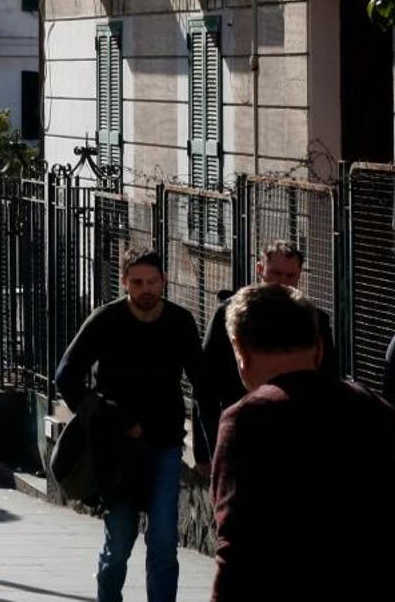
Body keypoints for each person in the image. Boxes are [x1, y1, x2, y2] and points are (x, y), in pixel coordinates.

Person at [210, 284, 395, 598]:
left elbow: (238, 545)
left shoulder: (248, 418)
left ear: (241, 353)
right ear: (319, 348)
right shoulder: (373, 407)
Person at [54, 248, 205, 602]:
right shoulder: (105, 320)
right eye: (137, 282)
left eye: (153, 281)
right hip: (116, 450)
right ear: (124, 282)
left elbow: (203, 382)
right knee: (119, 543)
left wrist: (207, 441)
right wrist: (110, 417)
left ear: (164, 281)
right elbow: (67, 377)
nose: (146, 289)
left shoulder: (180, 322)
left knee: (165, 540)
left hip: (165, 445)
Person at [194, 241, 337, 465]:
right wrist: (207, 451)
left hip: (300, 441)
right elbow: (205, 386)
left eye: (290, 276)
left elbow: (329, 381)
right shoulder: (229, 315)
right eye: (276, 273)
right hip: (241, 436)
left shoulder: (314, 321)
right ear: (260, 270)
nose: (282, 282)